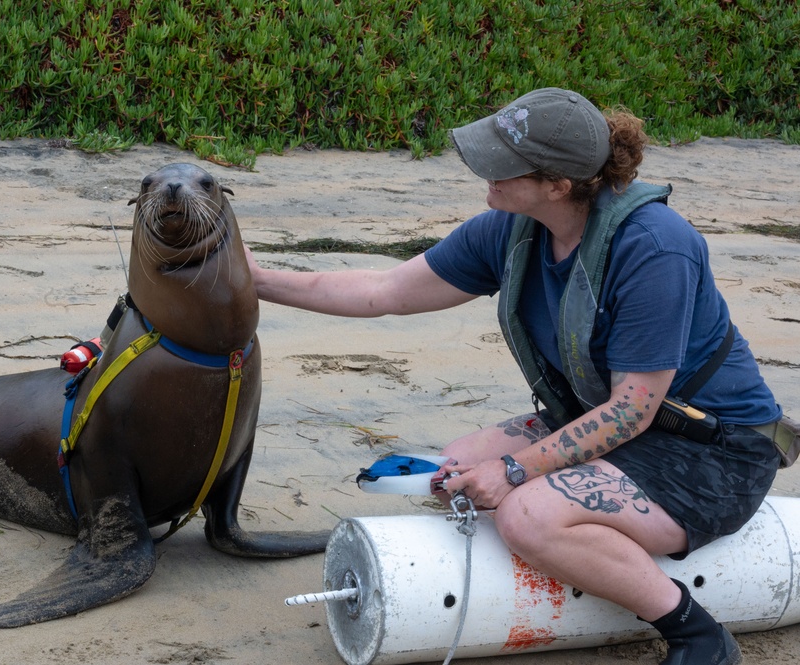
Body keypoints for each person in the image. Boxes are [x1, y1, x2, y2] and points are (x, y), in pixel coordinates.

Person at [246, 88, 784, 665]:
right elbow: (387, 292)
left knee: (527, 513)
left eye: (504, 163)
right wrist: (253, 279)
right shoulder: (510, 229)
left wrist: (514, 471)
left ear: (558, 185)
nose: (485, 171)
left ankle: (696, 634)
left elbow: (632, 408)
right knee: (456, 463)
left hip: (715, 451)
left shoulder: (655, 248)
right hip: (615, 425)